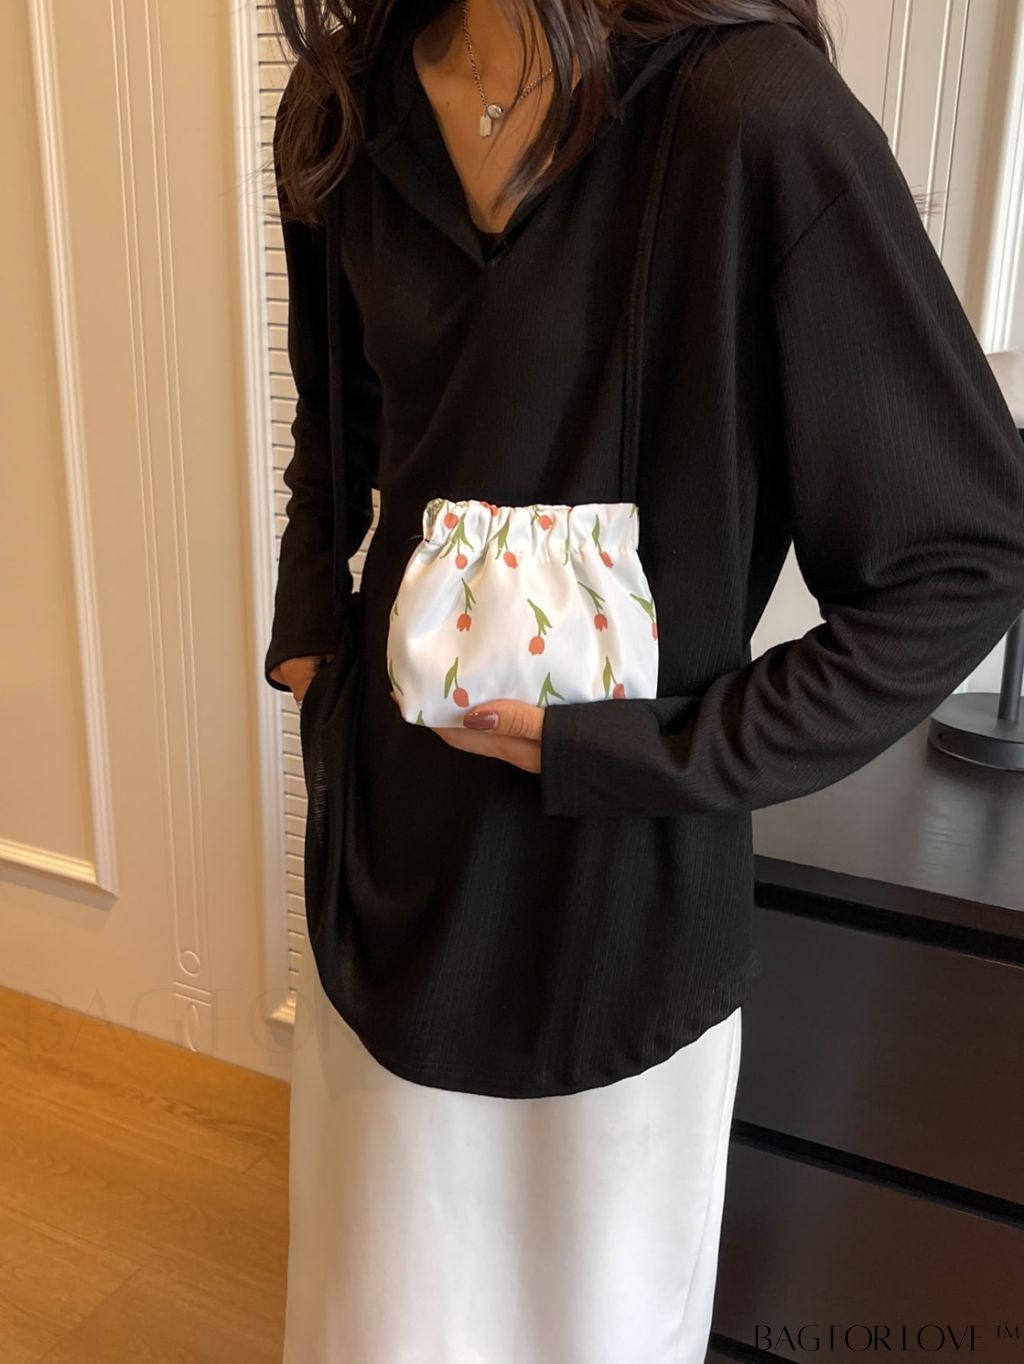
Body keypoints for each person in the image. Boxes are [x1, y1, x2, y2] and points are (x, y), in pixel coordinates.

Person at [263, 1, 1024, 1361]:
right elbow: (341, 423)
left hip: (624, 910)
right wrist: (311, 634)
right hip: (387, 881)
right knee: (375, 1327)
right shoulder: (341, 103)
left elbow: (959, 554)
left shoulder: (752, 119)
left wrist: (655, 755)